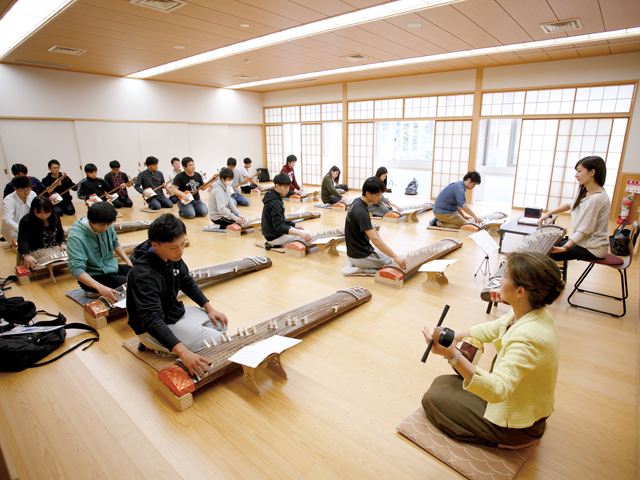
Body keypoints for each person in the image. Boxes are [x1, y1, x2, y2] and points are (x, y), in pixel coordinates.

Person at [421, 252, 565, 448]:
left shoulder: (528, 337)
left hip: (517, 426)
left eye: (504, 276)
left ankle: (502, 440)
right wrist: (454, 336)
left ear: (520, 291)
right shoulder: (531, 312)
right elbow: (494, 328)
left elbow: (498, 390)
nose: (498, 280)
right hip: (521, 405)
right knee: (442, 383)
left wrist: (452, 354)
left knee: (432, 399)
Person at [126, 214, 228, 376]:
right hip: (151, 325)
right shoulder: (144, 275)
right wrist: (182, 352)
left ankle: (165, 343)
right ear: (155, 245)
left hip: (171, 311)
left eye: (183, 244)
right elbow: (151, 320)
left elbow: (186, 281)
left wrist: (209, 308)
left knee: (221, 325)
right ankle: (153, 345)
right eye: (174, 247)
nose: (180, 251)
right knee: (214, 340)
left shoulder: (171, 255)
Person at [538, 156, 610, 261]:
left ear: (592, 172)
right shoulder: (586, 190)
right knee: (544, 245)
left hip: (593, 248)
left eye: (579, 171)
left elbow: (584, 229)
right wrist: (549, 213)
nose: (576, 175)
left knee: (545, 254)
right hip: (583, 242)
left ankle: (545, 277)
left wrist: (564, 248)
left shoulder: (596, 198)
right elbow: (571, 204)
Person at [67, 202, 132, 302]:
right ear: (90, 221)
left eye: (108, 224)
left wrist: (127, 260)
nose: (105, 228)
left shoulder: (106, 223)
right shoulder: (76, 237)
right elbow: (76, 269)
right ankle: (93, 291)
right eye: (101, 225)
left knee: (139, 274)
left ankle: (96, 293)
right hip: (93, 275)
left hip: (111, 268)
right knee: (132, 283)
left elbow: (114, 242)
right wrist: (99, 287)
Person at [342, 177, 407, 276]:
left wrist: (379, 240)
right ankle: (359, 269)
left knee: (385, 254)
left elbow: (371, 226)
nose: (380, 197)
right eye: (377, 195)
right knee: (388, 261)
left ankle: (359, 264)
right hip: (358, 256)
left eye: (381, 194)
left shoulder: (358, 202)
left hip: (356, 251)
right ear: (368, 193)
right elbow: (374, 240)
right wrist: (396, 257)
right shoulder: (361, 211)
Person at [261, 173, 312, 246]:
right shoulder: (275, 202)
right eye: (285, 188)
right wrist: (299, 233)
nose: (287, 190)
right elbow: (279, 226)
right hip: (274, 237)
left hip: (273, 234)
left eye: (288, 187)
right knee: (307, 235)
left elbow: (281, 220)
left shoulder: (273, 195)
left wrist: (293, 225)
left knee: (301, 232)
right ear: (277, 186)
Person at [17, 197, 66, 268]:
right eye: (39, 212)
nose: (43, 215)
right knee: (48, 259)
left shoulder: (54, 216)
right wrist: (26, 254)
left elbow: (60, 231)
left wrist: (62, 242)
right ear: (33, 210)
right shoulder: (26, 221)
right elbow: (23, 239)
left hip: (54, 246)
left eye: (47, 212)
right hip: (36, 249)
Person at [1, 176, 36, 244]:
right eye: (22, 190)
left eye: (28, 189)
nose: (26, 192)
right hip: (14, 228)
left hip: (28, 223)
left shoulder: (32, 194)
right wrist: (21, 229)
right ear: (15, 188)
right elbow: (7, 219)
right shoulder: (9, 200)